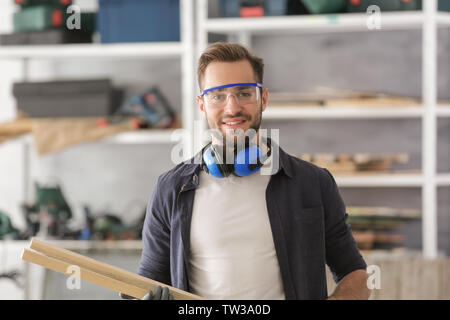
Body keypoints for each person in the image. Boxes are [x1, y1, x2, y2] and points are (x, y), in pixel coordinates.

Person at [135, 42, 371, 300]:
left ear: (264, 98)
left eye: (244, 93)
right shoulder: (171, 190)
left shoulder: (313, 183)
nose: (232, 108)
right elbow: (148, 283)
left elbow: (355, 273)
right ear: (202, 105)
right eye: (217, 96)